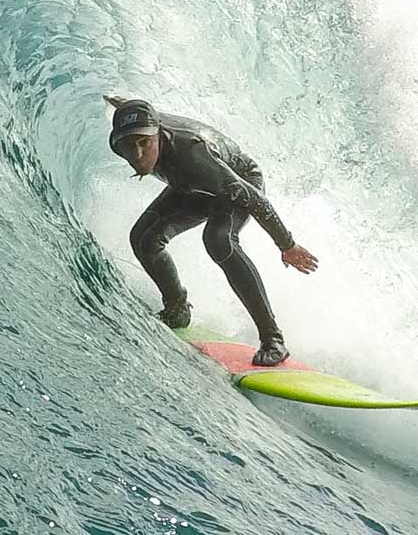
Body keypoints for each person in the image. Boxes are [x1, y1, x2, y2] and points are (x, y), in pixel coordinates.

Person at [105, 96, 319, 366]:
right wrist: (124, 106)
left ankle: (273, 339)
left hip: (236, 182)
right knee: (144, 238)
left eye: (144, 143)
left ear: (157, 135)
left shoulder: (194, 157)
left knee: (218, 240)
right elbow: (141, 115)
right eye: (127, 145)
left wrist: (287, 245)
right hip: (190, 185)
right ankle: (177, 310)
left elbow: (254, 200)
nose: (137, 155)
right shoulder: (146, 126)